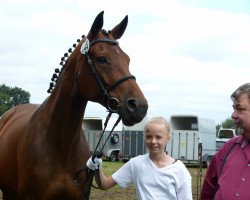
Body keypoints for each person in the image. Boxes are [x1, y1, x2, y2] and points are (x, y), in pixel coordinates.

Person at [87, 116, 192, 200]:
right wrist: (97, 167)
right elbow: (104, 184)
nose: (153, 141)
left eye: (158, 137)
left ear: (168, 138)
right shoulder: (136, 164)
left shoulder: (179, 169)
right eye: (149, 136)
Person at [201, 83, 250, 199]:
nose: (233, 115)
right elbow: (207, 192)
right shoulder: (228, 148)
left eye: (240, 109)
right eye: (234, 109)